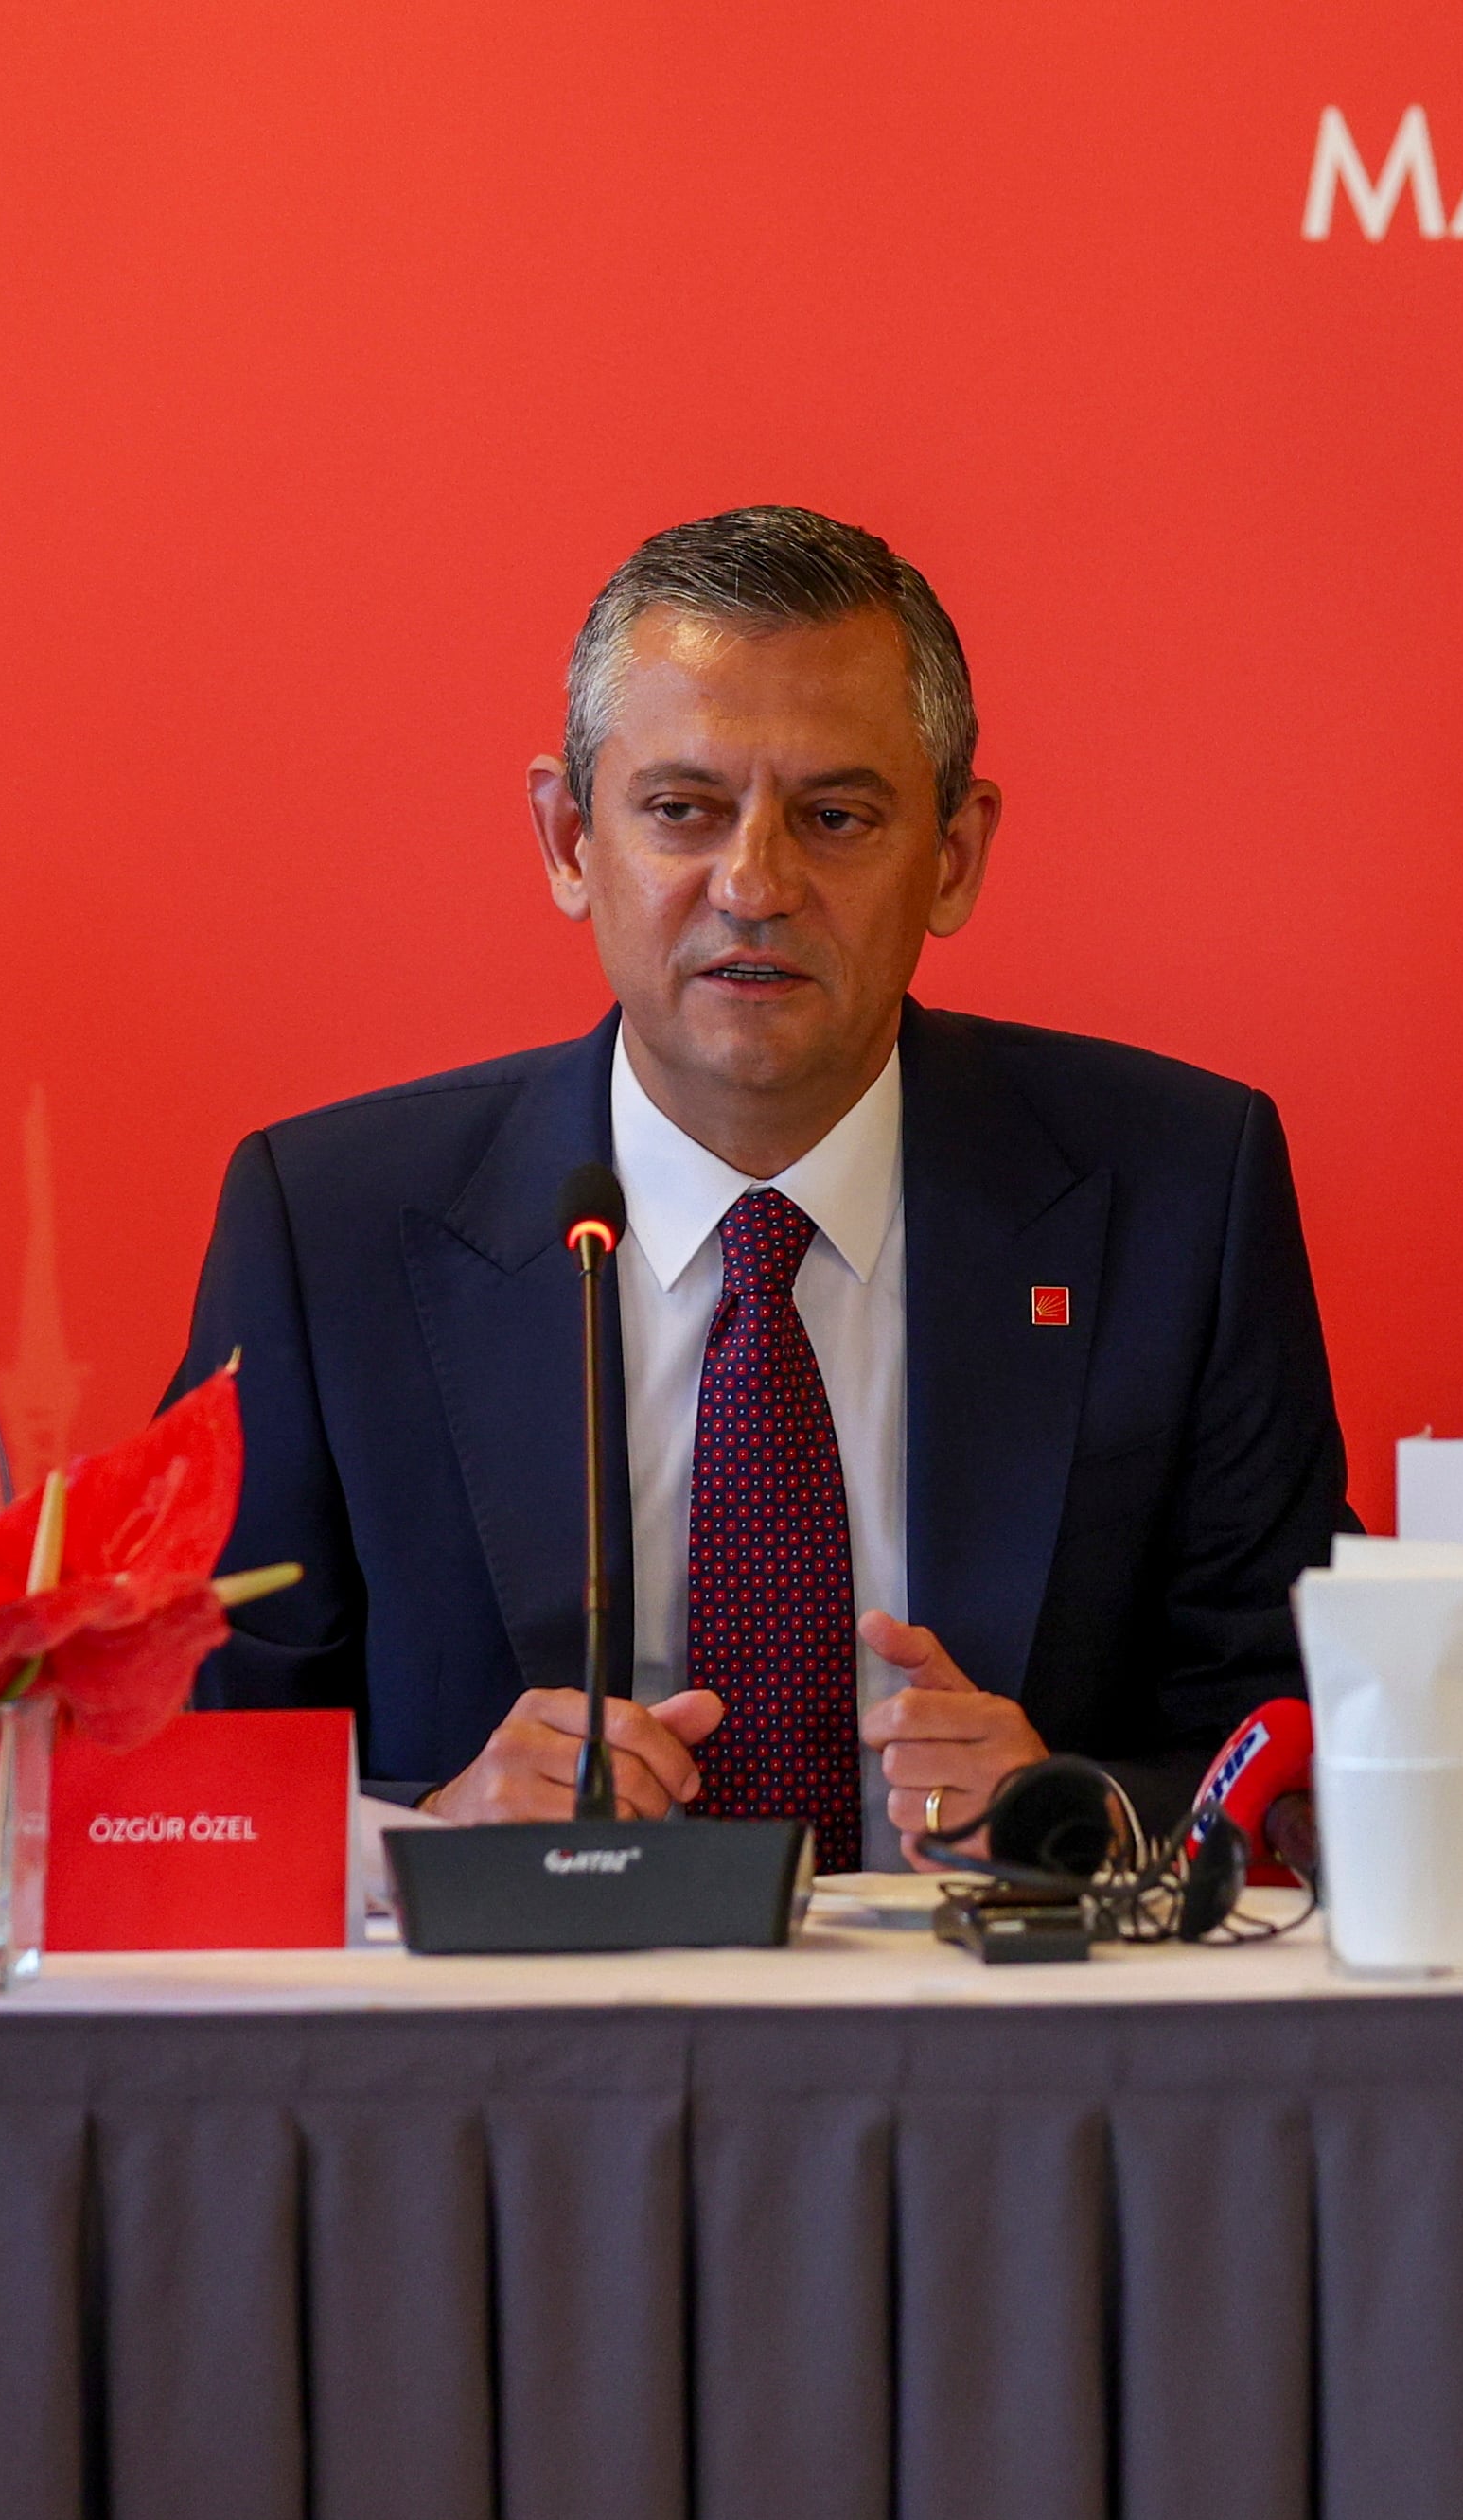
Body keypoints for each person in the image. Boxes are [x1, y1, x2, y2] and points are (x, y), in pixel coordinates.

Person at [169, 505, 1350, 1865]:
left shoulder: (1176, 1195)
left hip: (995, 2053)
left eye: (834, 816)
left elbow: (1303, 1731)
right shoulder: (330, 1229)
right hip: (513, 2056)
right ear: (567, 838)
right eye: (682, 810)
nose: (754, 882)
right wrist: (423, 1837)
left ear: (953, 855)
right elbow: (185, 1778)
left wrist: (1082, 1814)